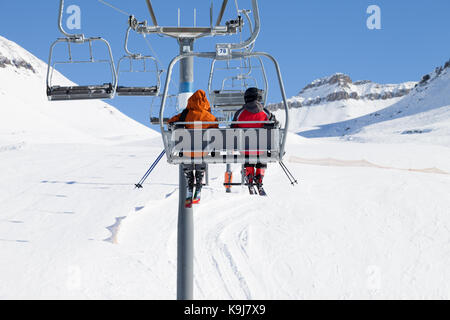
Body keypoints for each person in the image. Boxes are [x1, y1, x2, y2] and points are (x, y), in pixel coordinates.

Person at [168, 89, 218, 207]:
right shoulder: (209, 117)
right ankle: (199, 178)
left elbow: (171, 122)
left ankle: (190, 181)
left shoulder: (185, 114)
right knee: (201, 154)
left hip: (187, 152)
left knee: (187, 154)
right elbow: (216, 130)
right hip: (202, 152)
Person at [232, 87, 278, 195]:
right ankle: (259, 179)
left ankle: (250, 177)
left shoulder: (239, 113)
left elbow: (232, 129)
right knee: (261, 155)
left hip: (245, 149)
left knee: (247, 154)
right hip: (261, 149)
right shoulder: (265, 112)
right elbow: (275, 124)